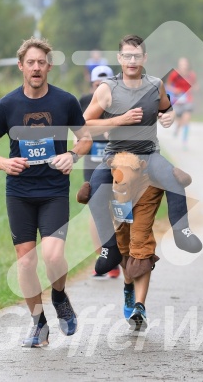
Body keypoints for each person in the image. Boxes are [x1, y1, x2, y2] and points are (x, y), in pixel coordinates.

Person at [0, 37, 92, 348]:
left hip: (54, 189)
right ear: (21, 66)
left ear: (49, 66)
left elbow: (85, 139)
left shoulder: (65, 102)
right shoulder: (6, 106)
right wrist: (4, 162)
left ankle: (59, 296)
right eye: (31, 62)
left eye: (42, 62)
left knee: (53, 255)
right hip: (20, 192)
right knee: (26, 263)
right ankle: (38, 323)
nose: (36, 67)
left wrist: (72, 155)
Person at [83, 34, 202, 326]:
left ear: (144, 59)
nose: (132, 61)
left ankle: (182, 232)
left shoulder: (155, 85)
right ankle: (109, 247)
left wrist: (169, 116)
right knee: (95, 192)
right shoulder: (107, 89)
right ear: (120, 58)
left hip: (149, 156)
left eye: (137, 56)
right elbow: (85, 123)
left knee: (174, 181)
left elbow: (166, 107)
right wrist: (118, 121)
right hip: (115, 157)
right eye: (127, 56)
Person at [78, 64, 121, 280]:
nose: (99, 88)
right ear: (91, 83)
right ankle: (103, 257)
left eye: (104, 84)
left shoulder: (119, 101)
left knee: (119, 209)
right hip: (93, 163)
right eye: (96, 84)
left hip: (118, 163)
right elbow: (76, 130)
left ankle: (123, 254)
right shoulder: (84, 101)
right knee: (95, 211)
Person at [166, 57, 197, 149]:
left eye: (185, 64)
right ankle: (177, 128)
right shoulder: (174, 74)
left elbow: (195, 85)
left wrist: (193, 88)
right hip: (177, 101)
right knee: (180, 121)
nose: (183, 66)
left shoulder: (192, 75)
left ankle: (184, 141)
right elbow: (168, 86)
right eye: (181, 64)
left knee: (186, 119)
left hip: (188, 100)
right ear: (179, 66)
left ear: (188, 65)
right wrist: (175, 90)